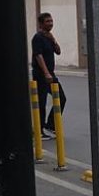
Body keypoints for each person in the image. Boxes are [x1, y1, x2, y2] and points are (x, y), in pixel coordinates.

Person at [32, 12, 66, 140]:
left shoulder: (48, 37)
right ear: (41, 24)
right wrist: (46, 72)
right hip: (41, 74)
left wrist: (53, 40)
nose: (50, 24)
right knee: (41, 102)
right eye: (47, 21)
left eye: (51, 21)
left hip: (51, 74)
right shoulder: (37, 38)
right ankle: (39, 130)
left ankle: (50, 125)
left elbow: (58, 52)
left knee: (61, 98)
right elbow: (38, 55)